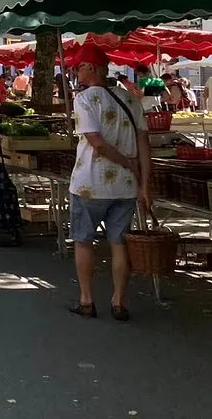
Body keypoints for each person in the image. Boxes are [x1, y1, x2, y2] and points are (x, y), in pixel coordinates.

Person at [68, 42, 150, 321]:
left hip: (89, 184)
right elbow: (144, 143)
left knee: (83, 241)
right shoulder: (130, 99)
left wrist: (126, 162)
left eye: (79, 67)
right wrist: (144, 182)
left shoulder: (85, 99)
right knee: (119, 243)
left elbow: (97, 143)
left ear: (91, 68)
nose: (77, 73)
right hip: (125, 187)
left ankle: (86, 300)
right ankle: (118, 301)